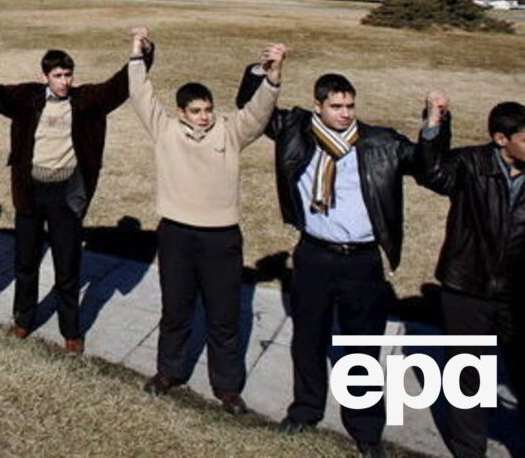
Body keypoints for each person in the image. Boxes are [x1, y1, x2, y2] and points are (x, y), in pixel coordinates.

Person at [239, 65, 436, 456]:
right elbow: (251, 108)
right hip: (313, 256)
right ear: (318, 106)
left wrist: (431, 125)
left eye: (350, 105)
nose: (345, 113)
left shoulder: (380, 142)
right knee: (308, 340)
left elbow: (427, 166)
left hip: (361, 262)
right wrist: (263, 71)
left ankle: (365, 430)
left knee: (362, 348)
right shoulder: (297, 130)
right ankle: (305, 410)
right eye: (336, 106)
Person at [127, 27, 284, 414]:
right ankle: (169, 372)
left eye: (208, 110)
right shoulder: (165, 130)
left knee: (224, 315)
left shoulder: (229, 133)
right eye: (196, 111)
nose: (203, 117)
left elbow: (258, 114)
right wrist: (136, 53)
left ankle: (227, 387)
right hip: (177, 235)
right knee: (176, 309)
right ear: (181, 112)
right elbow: (140, 93)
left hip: (221, 238)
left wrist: (274, 76)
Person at [0, 35, 155, 355]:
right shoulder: (29, 98)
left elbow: (119, 86)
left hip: (66, 196)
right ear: (46, 76)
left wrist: (140, 53)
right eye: (57, 76)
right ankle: (23, 319)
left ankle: (71, 330)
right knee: (25, 261)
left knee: (67, 265)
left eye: (68, 75)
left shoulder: (84, 100)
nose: (64, 81)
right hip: (30, 194)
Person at [417, 98, 524, 458]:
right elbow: (430, 173)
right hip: (467, 288)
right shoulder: (469, 164)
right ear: (501, 139)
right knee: (468, 376)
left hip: (516, 293)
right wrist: (434, 123)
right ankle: (468, 449)